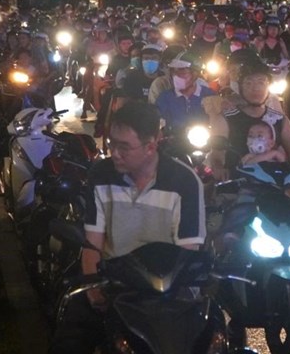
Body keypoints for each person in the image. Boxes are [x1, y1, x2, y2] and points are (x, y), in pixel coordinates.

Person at [50, 102, 206, 354]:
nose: (115, 153)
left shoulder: (184, 181)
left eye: (124, 147)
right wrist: (94, 288)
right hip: (115, 283)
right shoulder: (100, 174)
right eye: (111, 144)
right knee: (69, 342)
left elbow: (187, 252)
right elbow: (92, 243)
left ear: (150, 146)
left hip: (169, 292)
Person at [155, 51, 215, 134]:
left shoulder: (209, 95)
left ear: (195, 74)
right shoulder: (164, 98)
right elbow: (158, 123)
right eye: (174, 72)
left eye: (182, 72)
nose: (176, 76)